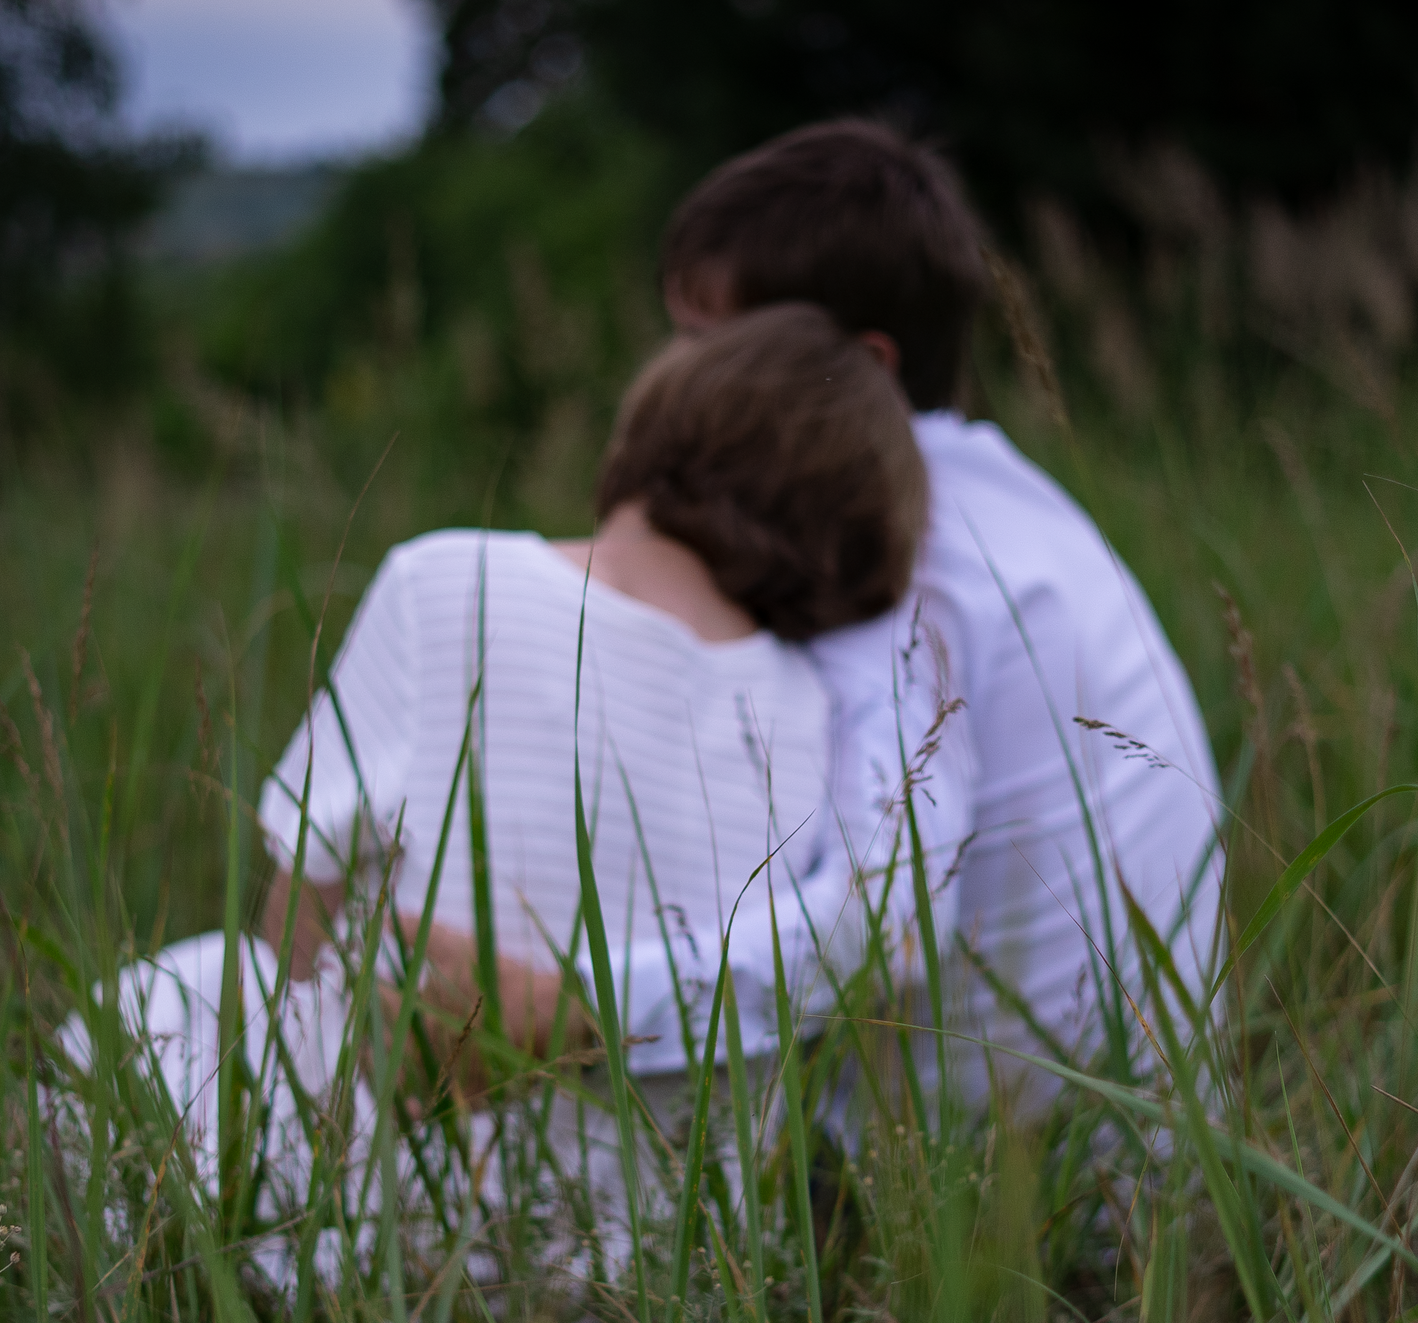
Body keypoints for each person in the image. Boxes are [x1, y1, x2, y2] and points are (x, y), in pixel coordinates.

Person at [362, 120, 1227, 1112]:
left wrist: (568, 1006)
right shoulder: (1016, 505)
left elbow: (889, 924)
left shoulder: (898, 558)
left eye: (709, 343)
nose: (675, 373)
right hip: (1137, 1132)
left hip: (1003, 1172)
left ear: (863, 366)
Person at [66, 303, 927, 1272]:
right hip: (657, 1263)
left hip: (402, 1233)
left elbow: (295, 922)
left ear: (656, 428)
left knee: (174, 993)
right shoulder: (815, 708)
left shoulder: (446, 581)